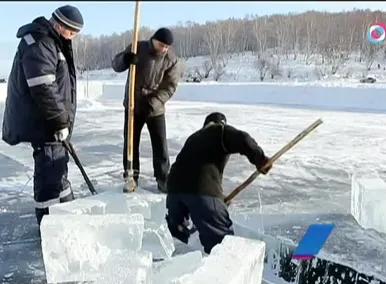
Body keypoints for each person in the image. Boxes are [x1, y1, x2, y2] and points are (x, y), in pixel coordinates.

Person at [1, 5, 84, 226]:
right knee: (49, 174)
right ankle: (49, 225)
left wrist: (63, 121)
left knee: (58, 168)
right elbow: (44, 88)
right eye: (71, 33)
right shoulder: (40, 42)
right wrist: (60, 121)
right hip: (45, 123)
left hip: (52, 122)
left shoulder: (52, 42)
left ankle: (67, 213)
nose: (72, 38)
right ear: (60, 25)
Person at [165, 112, 272, 254]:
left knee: (174, 242)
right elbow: (242, 139)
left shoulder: (193, 138)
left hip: (173, 191)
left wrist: (218, 200)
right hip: (201, 190)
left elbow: (196, 168)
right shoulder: (219, 131)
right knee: (222, 245)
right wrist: (260, 159)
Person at [111, 27, 181, 193]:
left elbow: (170, 86)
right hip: (133, 106)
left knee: (160, 145)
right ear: (153, 40)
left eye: (166, 47)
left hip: (154, 109)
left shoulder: (171, 60)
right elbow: (115, 64)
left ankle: (163, 179)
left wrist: (155, 101)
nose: (163, 49)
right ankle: (131, 177)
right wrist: (125, 59)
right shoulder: (137, 47)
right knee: (130, 144)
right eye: (161, 45)